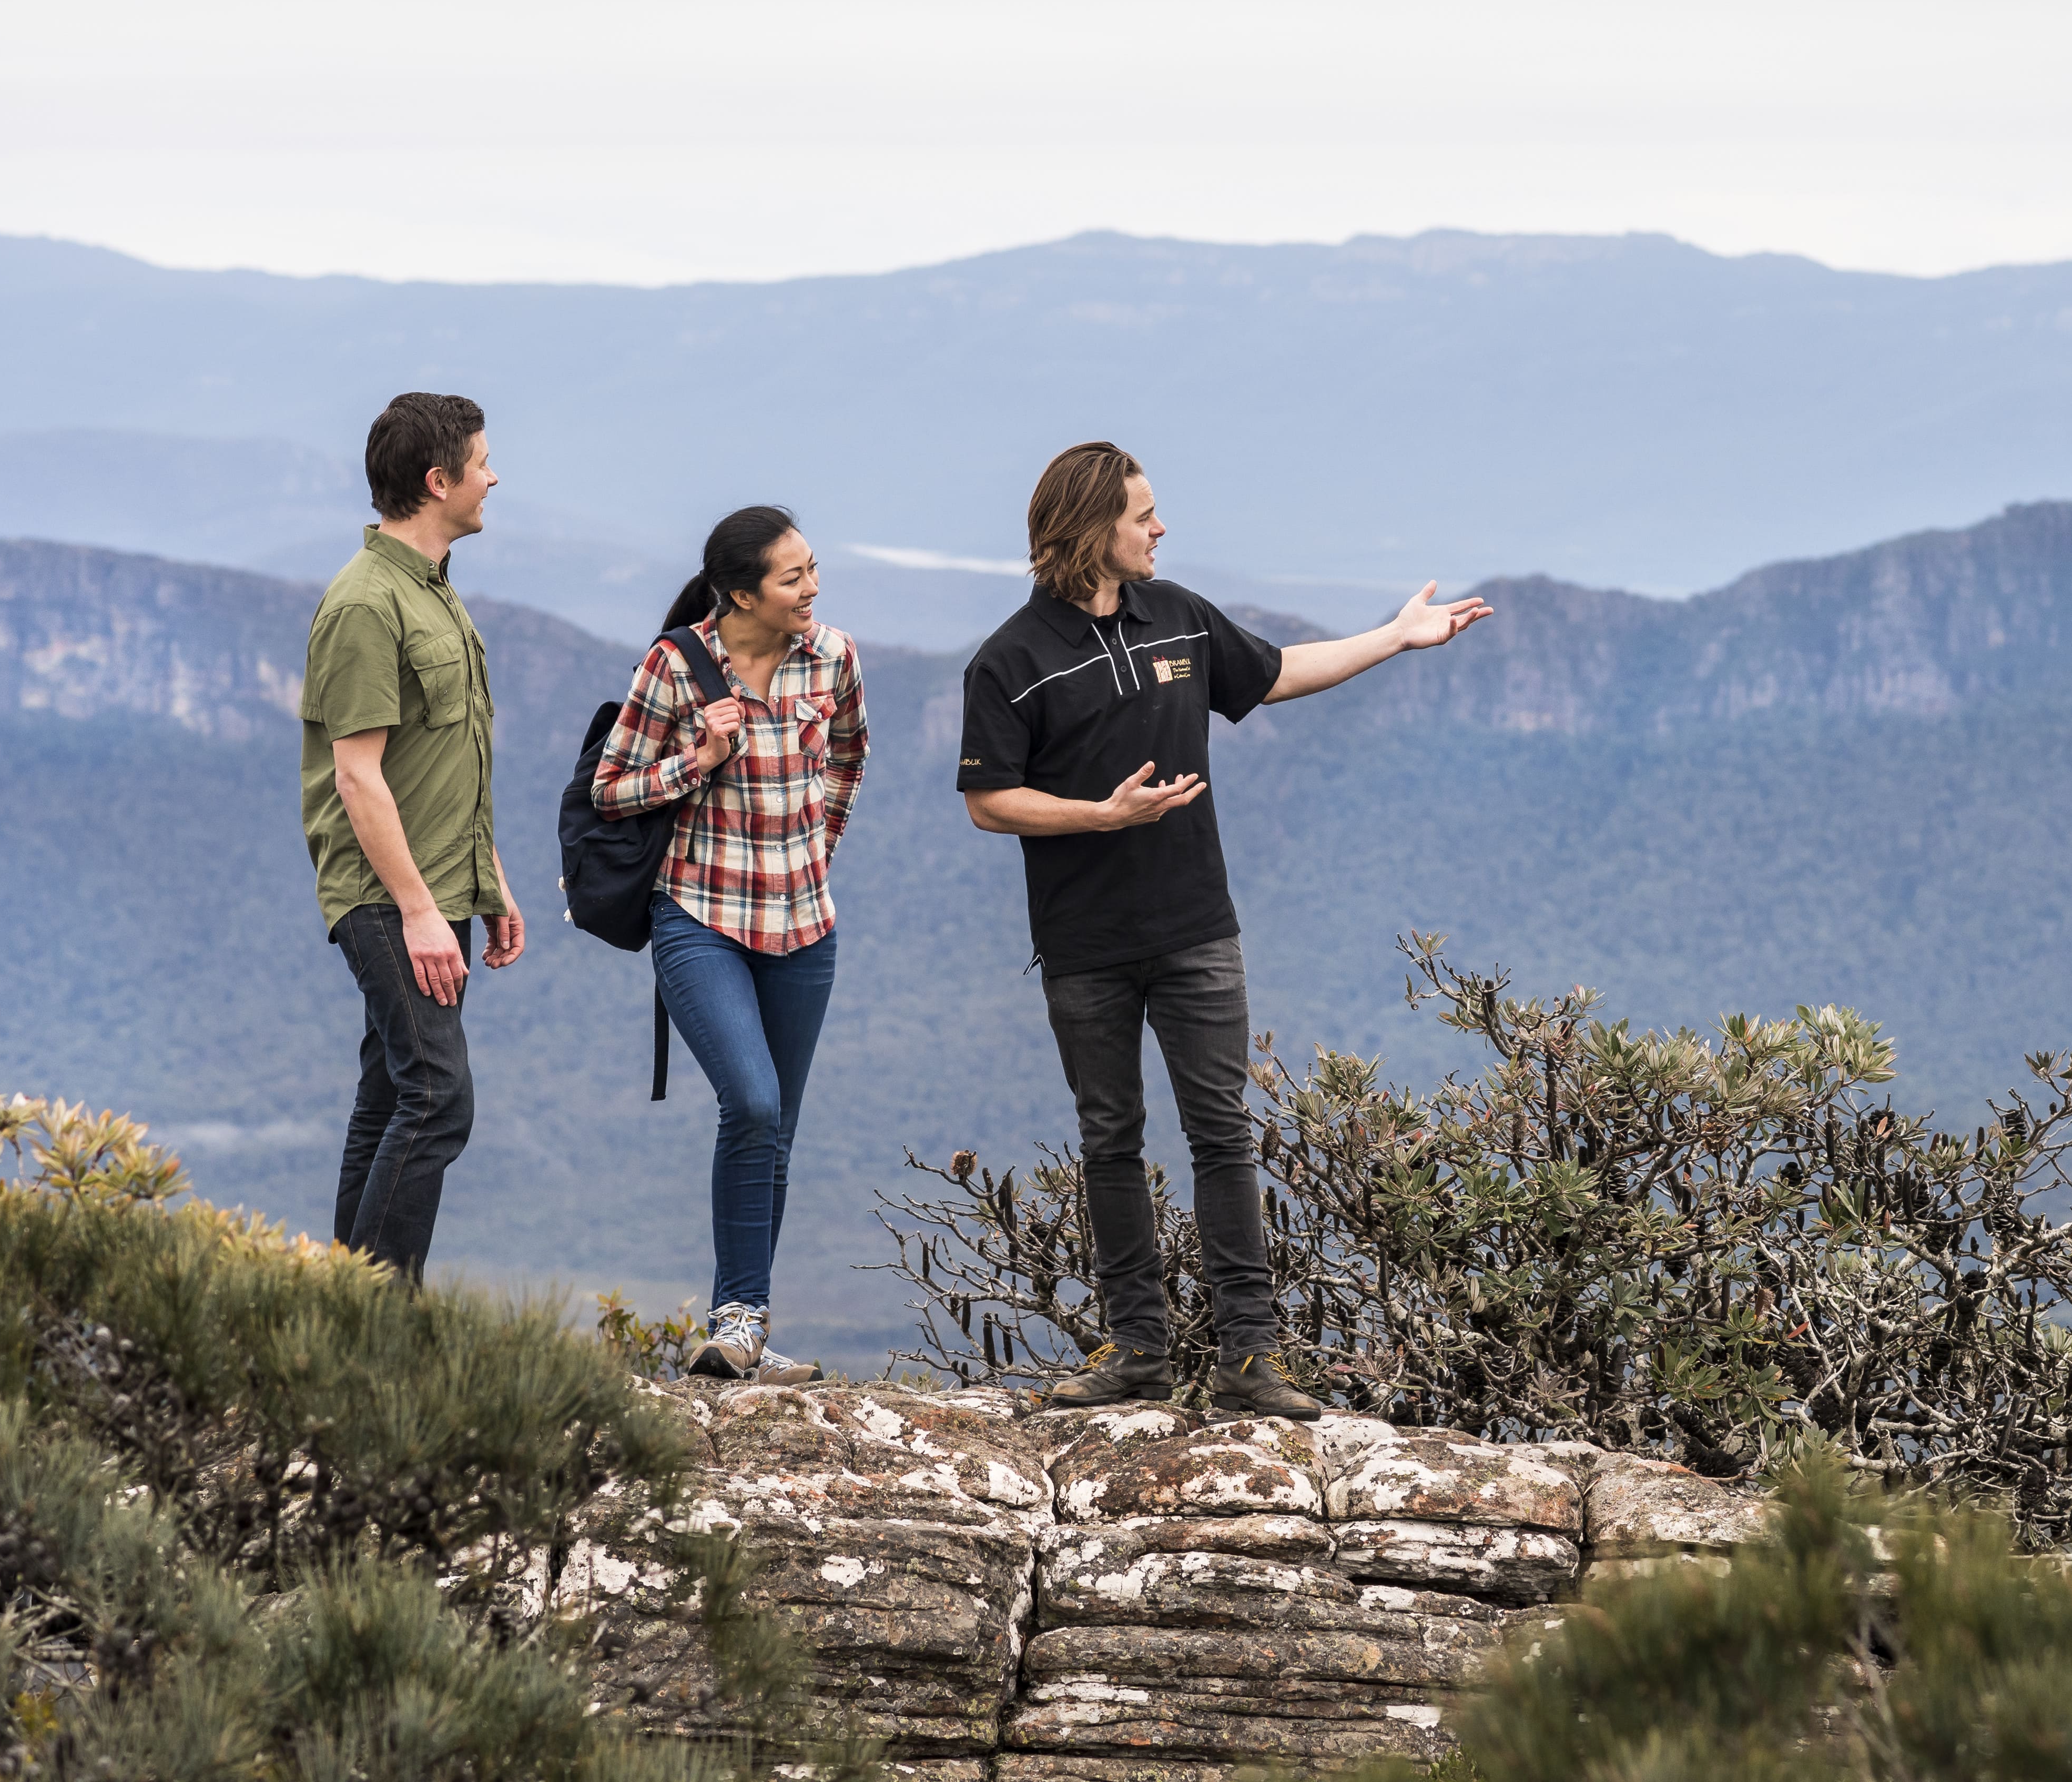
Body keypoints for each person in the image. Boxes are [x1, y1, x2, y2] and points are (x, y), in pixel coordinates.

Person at [959, 441, 1492, 1416]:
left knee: (1222, 1135)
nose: (1161, 527)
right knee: (1110, 1140)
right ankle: (1137, 1353)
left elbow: (1279, 673)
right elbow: (991, 802)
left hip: (1198, 926)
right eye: (1143, 514)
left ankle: (1249, 1360)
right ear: (1092, 531)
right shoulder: (1013, 660)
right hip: (1084, 943)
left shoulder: (1181, 618)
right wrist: (1101, 818)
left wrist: (1393, 637)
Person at [586, 505, 868, 1383]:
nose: (813, 588)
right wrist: (697, 763)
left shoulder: (834, 657)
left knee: (775, 1126)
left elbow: (851, 755)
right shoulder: (676, 667)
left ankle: (744, 1330)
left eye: (813, 568)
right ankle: (738, 1314)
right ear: (741, 593)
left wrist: (820, 844)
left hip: (804, 926)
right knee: (750, 1103)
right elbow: (608, 789)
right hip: (700, 914)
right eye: (793, 577)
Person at [301, 390, 525, 1284]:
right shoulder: (365, 606)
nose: (493, 476)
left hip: (437, 888)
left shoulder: (430, 592)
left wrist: (491, 882)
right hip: (389, 898)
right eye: (480, 463)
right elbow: (357, 775)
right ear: (439, 483)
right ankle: (380, 1320)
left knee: (391, 1093)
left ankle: (343, 1306)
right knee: (438, 1099)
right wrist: (422, 912)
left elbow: (444, 763)